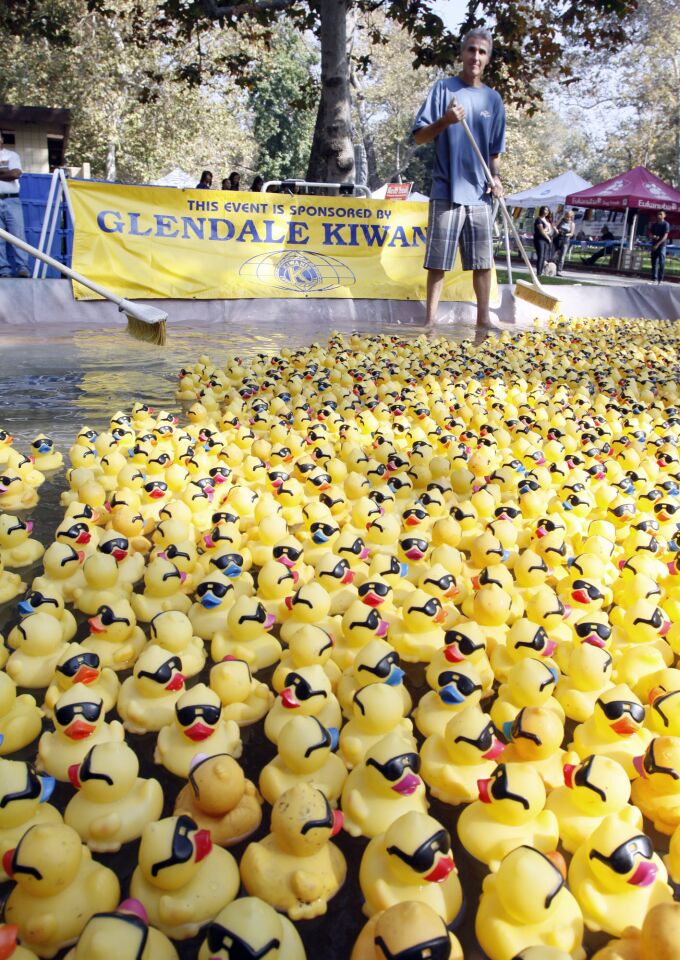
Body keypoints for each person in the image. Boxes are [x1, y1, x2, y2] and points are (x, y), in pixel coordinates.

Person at [412, 27, 505, 333]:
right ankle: (429, 322)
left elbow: (494, 152)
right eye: (471, 50)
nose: (475, 56)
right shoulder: (443, 90)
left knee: (482, 262)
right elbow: (419, 137)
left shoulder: (493, 100)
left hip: (480, 194)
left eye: (482, 52)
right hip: (445, 188)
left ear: (487, 58)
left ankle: (483, 319)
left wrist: (497, 179)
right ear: (461, 53)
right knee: (438, 262)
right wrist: (445, 121)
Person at [0, 131, 30, 278]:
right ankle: (3, 271)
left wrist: (8, 174)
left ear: (2, 139)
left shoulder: (11, 155)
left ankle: (22, 268)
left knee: (17, 235)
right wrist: (4, 172)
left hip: (12, 200)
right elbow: (8, 174)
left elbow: (14, 174)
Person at [650, 209, 670, 283]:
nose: (659, 215)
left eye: (661, 214)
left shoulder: (666, 224)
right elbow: (650, 233)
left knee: (661, 263)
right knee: (654, 263)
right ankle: (653, 279)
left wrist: (658, 244)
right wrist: (653, 236)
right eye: (658, 214)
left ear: (664, 215)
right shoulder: (654, 224)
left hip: (662, 246)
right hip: (654, 245)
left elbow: (665, 236)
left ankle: (660, 280)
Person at [554, 209, 576, 275]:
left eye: (569, 217)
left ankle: (559, 270)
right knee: (554, 254)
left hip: (565, 240)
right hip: (558, 238)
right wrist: (557, 231)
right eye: (567, 216)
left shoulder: (572, 224)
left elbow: (571, 234)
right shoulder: (561, 221)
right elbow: (554, 226)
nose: (568, 218)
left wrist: (565, 234)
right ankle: (551, 267)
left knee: (562, 256)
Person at [533, 206, 553, 276]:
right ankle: (539, 272)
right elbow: (541, 231)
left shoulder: (547, 221)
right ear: (542, 211)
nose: (547, 212)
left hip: (546, 240)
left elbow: (550, 231)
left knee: (544, 257)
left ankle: (542, 272)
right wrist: (548, 238)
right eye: (545, 210)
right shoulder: (538, 220)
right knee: (540, 256)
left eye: (548, 210)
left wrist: (546, 232)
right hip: (539, 240)